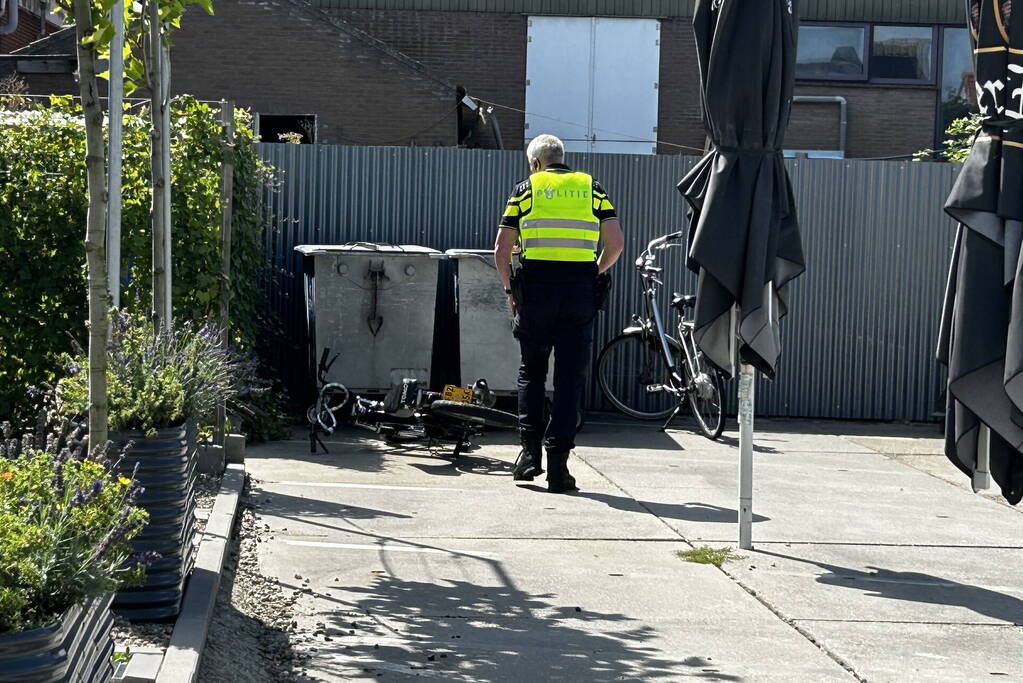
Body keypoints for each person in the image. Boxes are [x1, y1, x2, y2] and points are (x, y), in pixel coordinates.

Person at [494, 134, 624, 493]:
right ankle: (559, 470)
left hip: (535, 293)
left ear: (536, 163)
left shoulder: (526, 189)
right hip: (578, 294)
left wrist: (510, 291)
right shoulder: (591, 187)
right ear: (561, 158)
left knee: (532, 374)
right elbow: (616, 245)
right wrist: (591, 273)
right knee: (569, 380)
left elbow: (501, 249)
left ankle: (529, 457)